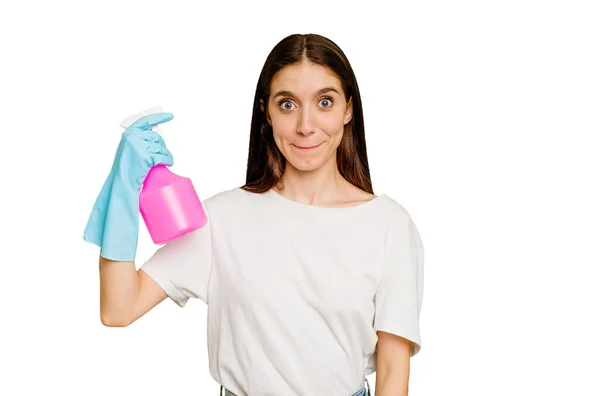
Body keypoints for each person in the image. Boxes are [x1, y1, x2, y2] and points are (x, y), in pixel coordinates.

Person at [91, 33, 424, 396]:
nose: (306, 126)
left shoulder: (388, 225)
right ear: (265, 110)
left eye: (325, 102)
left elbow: (393, 372)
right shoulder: (222, 219)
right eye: (288, 105)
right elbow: (119, 309)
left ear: (348, 109)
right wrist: (123, 196)